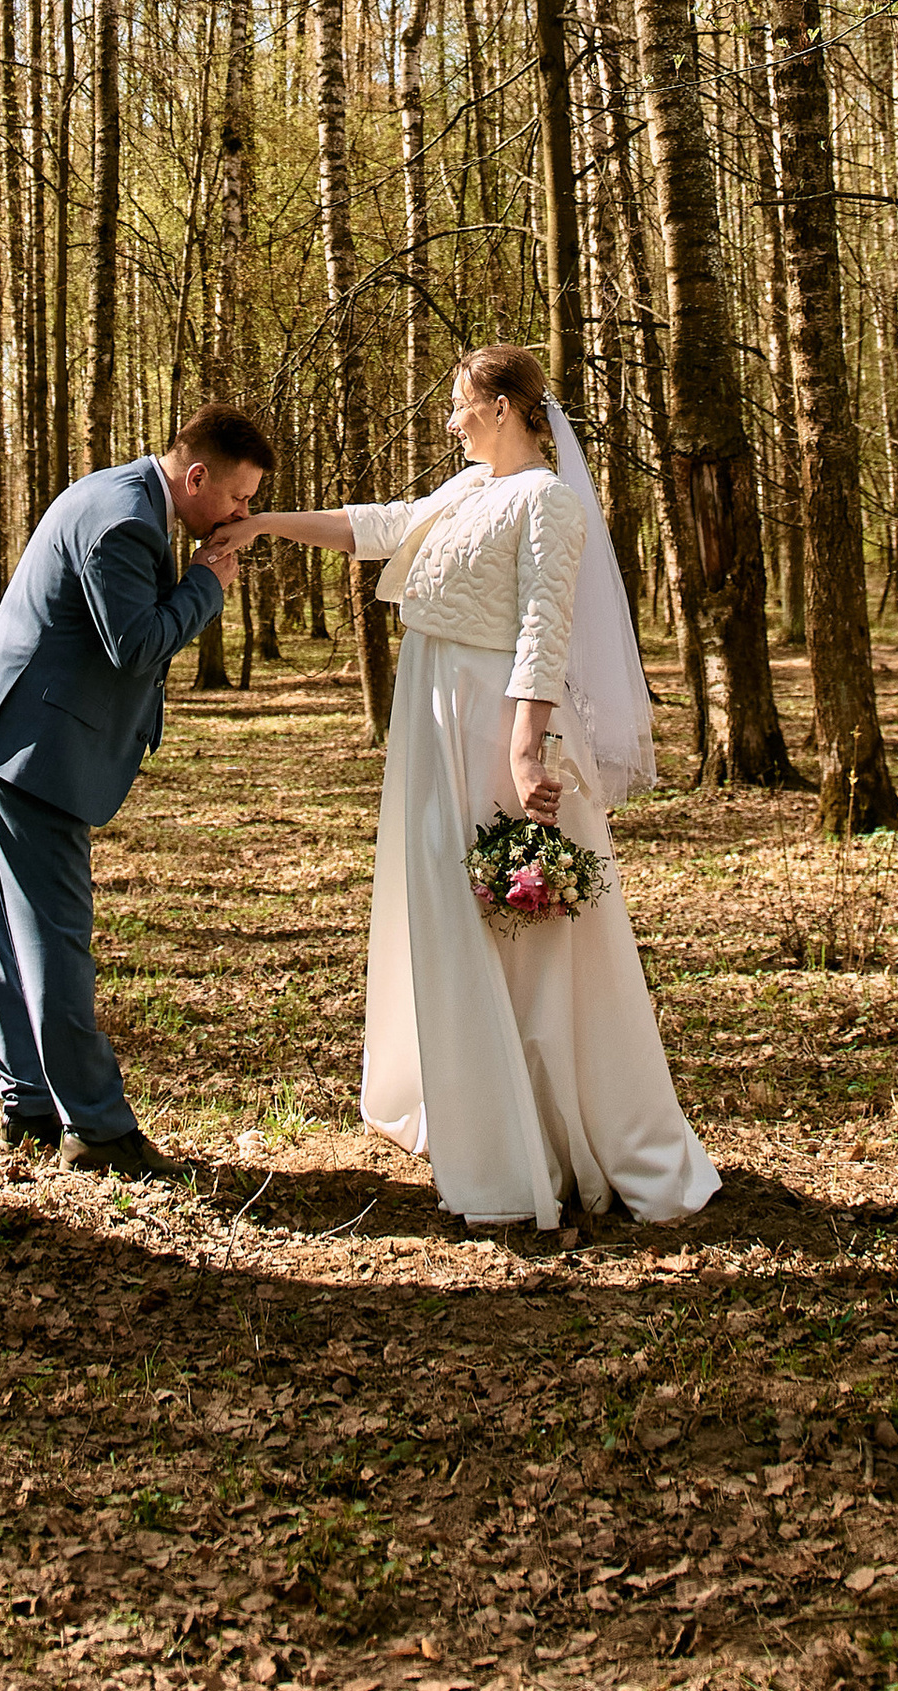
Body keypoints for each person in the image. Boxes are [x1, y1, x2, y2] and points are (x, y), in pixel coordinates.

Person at [247, 343, 717, 1236]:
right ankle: (480, 1112)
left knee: (522, 930)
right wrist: (268, 524)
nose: (453, 419)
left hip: (492, 726)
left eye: (463, 404)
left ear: (503, 407)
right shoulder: (467, 491)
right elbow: (377, 525)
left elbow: (544, 628)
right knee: (451, 912)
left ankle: (543, 1138)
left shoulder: (548, 502)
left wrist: (526, 749)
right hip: (434, 726)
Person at [0, 403, 269, 1177]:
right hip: (29, 748)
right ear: (196, 478)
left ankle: (28, 1105)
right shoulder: (125, 521)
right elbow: (136, 643)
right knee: (52, 936)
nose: (242, 513)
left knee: (7, 929)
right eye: (238, 497)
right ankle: (97, 1128)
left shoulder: (125, 494)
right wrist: (206, 584)